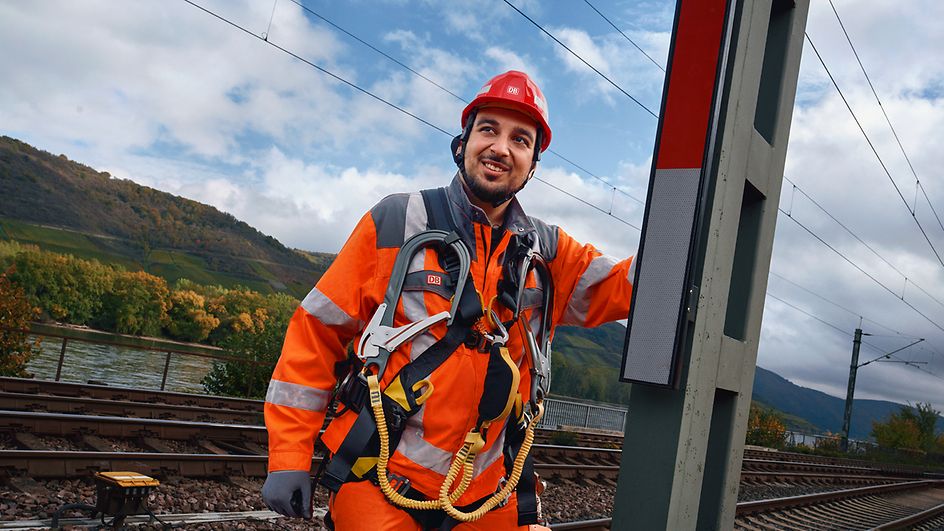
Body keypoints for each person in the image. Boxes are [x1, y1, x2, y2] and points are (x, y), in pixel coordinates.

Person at [262, 71, 634, 530]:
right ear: (463, 143)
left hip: (487, 497)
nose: (501, 147)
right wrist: (289, 454)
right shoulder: (398, 222)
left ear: (533, 164)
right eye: (489, 129)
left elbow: (630, 286)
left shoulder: (550, 254)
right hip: (381, 486)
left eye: (521, 139)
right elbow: (316, 336)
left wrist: (690, 219)